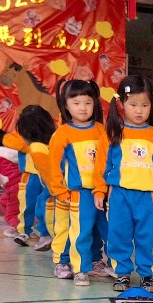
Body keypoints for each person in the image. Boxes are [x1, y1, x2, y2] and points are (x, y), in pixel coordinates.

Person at [103, 75, 153, 294]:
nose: (139, 111)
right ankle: (122, 273)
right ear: (121, 104)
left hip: (148, 198)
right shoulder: (114, 134)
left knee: (147, 237)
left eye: (145, 105)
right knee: (118, 235)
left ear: (151, 105)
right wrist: (99, 191)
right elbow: (102, 165)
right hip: (119, 195)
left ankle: (147, 274)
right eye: (133, 105)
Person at [44, 78, 106, 286]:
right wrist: (60, 191)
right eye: (76, 103)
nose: (83, 108)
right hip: (76, 193)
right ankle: (68, 264)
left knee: (99, 228)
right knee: (75, 229)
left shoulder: (101, 130)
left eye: (88, 103)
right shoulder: (62, 133)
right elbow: (54, 166)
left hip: (100, 191)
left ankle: (95, 261)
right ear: (66, 105)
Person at [3, 105, 55, 251]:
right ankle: (24, 231)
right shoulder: (22, 135)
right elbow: (7, 140)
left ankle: (46, 232)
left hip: (47, 175)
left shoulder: (51, 136)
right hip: (30, 175)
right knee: (27, 204)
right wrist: (30, 143)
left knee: (45, 204)